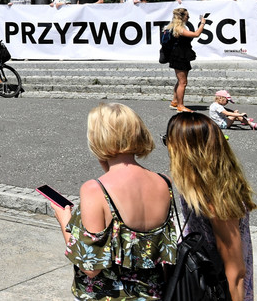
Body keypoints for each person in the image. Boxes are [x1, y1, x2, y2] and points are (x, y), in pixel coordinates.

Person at [48, 103, 176, 301]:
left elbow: (90, 268)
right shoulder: (163, 182)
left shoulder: (95, 189)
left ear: (98, 138)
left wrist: (64, 220)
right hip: (154, 294)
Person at [165, 111, 257, 301]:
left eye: (167, 141)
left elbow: (236, 272)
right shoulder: (196, 188)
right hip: (206, 281)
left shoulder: (215, 200)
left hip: (219, 290)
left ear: (185, 151)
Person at [165, 8, 206, 113]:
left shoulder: (174, 27)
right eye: (187, 16)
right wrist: (202, 24)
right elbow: (196, 34)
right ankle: (180, 106)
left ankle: (175, 102)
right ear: (182, 17)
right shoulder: (179, 28)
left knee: (180, 81)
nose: (188, 18)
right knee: (183, 83)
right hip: (179, 56)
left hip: (179, 55)